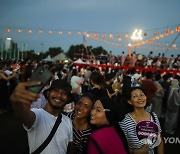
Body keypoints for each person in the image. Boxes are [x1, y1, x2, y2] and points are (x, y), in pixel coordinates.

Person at [10, 79, 74, 154]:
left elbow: (70, 147)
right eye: (56, 91)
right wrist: (16, 103)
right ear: (48, 93)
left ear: (68, 99)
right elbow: (22, 115)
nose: (59, 95)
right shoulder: (37, 114)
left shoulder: (68, 121)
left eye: (64, 93)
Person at [119, 87, 164, 154]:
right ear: (129, 101)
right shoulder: (124, 121)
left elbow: (159, 141)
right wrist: (135, 152)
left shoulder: (153, 116)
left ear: (145, 97)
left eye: (141, 95)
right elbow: (119, 146)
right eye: (135, 96)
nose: (140, 98)